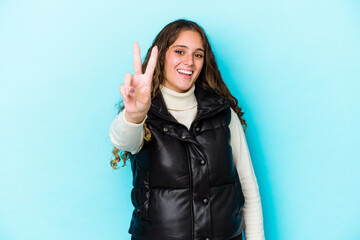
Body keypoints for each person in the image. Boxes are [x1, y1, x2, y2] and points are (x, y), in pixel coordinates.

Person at [109, 19, 265, 240]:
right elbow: (122, 140)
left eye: (198, 55)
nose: (189, 62)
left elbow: (248, 187)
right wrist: (134, 114)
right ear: (162, 55)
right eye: (180, 51)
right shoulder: (141, 114)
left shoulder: (223, 113)